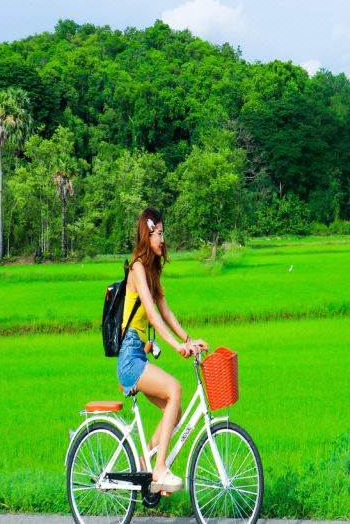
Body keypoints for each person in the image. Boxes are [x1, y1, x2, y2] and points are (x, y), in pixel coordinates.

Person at [117, 207, 209, 494]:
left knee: (175, 408)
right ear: (147, 234)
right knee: (175, 389)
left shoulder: (152, 270)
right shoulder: (137, 268)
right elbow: (153, 316)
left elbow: (166, 312)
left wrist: (189, 339)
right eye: (159, 233)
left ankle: (146, 462)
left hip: (140, 355)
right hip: (130, 356)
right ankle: (159, 470)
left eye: (163, 233)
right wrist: (177, 346)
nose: (163, 239)